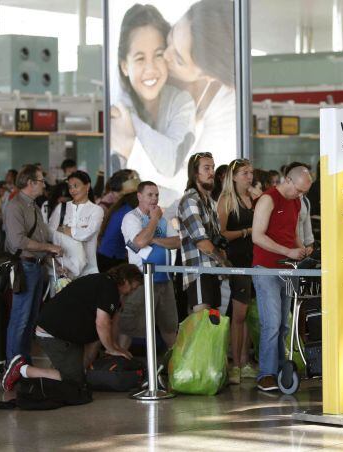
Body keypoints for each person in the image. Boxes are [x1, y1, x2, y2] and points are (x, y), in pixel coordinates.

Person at [134, 0, 236, 211]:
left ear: (207, 75)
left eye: (179, 58)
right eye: (171, 36)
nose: (166, 54)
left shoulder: (225, 109)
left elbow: (189, 186)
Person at [1, 264, 141, 391]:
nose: (132, 292)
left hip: (65, 332)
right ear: (125, 279)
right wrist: (112, 349)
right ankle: (22, 370)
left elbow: (111, 324)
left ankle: (71, 371)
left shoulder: (109, 288)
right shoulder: (108, 287)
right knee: (73, 381)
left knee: (91, 351)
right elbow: (102, 324)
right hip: (52, 334)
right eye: (133, 288)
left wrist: (116, 348)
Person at [111, 4, 195, 209]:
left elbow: (170, 164)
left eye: (158, 55)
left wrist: (132, 125)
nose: (151, 69)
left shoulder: (181, 102)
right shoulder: (115, 108)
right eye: (140, 58)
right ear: (124, 65)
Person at [251, 163, 312, 392]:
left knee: (284, 324)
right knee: (272, 323)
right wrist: (289, 251)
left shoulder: (296, 201)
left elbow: (292, 231)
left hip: (288, 268)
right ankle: (265, 373)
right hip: (266, 268)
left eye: (304, 192)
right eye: (298, 190)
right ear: (287, 180)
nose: (300, 195)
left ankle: (278, 368)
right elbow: (257, 236)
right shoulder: (268, 199)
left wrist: (301, 249)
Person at [3, 164, 62, 363]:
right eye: (41, 181)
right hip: (24, 266)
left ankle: (24, 361)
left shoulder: (32, 205)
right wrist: (47, 247)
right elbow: (18, 240)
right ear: (31, 183)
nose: (44, 185)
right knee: (20, 318)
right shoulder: (15, 206)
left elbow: (40, 233)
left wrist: (47, 255)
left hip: (36, 266)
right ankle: (13, 362)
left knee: (30, 318)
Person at [119, 181, 180, 349]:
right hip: (140, 280)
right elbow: (139, 242)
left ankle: (175, 368)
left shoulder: (162, 218)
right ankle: (118, 362)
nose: (154, 199)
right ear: (139, 196)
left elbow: (177, 242)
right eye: (150, 195)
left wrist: (153, 239)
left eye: (157, 195)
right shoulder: (131, 218)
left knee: (169, 326)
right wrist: (153, 220)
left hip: (164, 278)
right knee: (130, 326)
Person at [217, 158, 260, 384]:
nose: (249, 177)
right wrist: (246, 231)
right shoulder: (226, 200)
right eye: (244, 173)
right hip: (236, 260)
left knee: (249, 312)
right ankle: (235, 363)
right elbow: (221, 233)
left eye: (250, 172)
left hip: (255, 260)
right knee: (239, 313)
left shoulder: (254, 198)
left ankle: (244, 360)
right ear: (233, 176)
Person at [177, 152, 227, 315]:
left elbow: (213, 238)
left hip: (212, 269)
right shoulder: (190, 200)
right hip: (199, 270)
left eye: (212, 167)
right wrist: (224, 262)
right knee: (202, 324)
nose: (211, 172)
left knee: (212, 324)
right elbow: (201, 241)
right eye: (206, 168)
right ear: (195, 173)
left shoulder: (210, 202)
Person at [48, 171, 104, 276]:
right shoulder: (61, 208)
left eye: (75, 186)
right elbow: (50, 234)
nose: (72, 190)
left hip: (88, 269)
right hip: (62, 267)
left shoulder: (96, 210)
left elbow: (87, 234)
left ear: (87, 186)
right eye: (70, 187)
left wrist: (64, 229)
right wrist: (79, 230)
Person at [97, 190, 139, 273]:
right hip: (113, 256)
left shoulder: (121, 208)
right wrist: (141, 251)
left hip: (105, 253)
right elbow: (129, 241)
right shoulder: (129, 213)